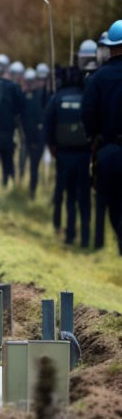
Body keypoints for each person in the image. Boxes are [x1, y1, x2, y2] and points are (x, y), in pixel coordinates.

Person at [83, 21, 122, 255]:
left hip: (109, 152)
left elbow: (88, 115)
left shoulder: (97, 79)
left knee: (113, 204)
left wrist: (94, 137)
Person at [45, 67, 91, 246]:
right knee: (84, 196)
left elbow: (49, 126)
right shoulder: (86, 96)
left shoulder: (57, 99)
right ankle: (86, 237)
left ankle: (70, 234)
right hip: (85, 154)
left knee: (70, 196)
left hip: (63, 155)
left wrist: (52, 148)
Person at [20, 67, 49, 199]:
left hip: (41, 137)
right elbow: (26, 120)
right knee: (31, 164)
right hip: (30, 137)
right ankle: (30, 189)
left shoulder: (44, 95)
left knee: (35, 165)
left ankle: (34, 190)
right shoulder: (26, 96)